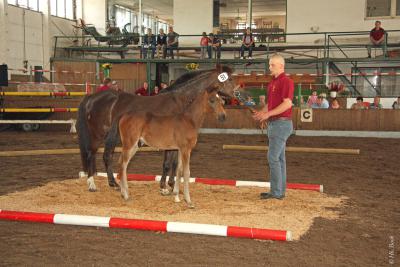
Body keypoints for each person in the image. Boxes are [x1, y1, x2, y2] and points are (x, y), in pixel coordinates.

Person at [253, 53, 294, 200]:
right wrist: (262, 113)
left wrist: (268, 114)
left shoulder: (286, 82)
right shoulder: (272, 83)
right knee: (279, 159)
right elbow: (271, 105)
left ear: (281, 66)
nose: (269, 67)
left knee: (273, 158)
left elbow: (287, 103)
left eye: (272, 65)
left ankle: (276, 192)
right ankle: (278, 191)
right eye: (269, 64)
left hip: (281, 124)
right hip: (276, 124)